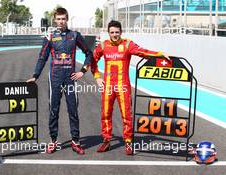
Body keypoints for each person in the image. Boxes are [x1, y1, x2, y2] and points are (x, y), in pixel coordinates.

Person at [91, 20, 169, 155]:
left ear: (121, 32)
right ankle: (106, 140)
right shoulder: (103, 45)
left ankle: (128, 142)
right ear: (108, 33)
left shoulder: (127, 44)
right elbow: (92, 59)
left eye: (117, 32)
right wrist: (97, 76)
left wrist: (159, 54)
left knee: (126, 115)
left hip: (123, 86)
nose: (114, 35)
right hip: (108, 86)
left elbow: (142, 52)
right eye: (112, 32)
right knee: (105, 114)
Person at [27, 7, 93, 155]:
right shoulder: (50, 36)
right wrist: (35, 75)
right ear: (55, 20)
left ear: (67, 19)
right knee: (53, 110)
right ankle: (53, 141)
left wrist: (83, 71)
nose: (61, 21)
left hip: (70, 78)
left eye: (63, 19)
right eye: (58, 19)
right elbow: (42, 57)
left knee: (73, 110)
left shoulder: (75, 35)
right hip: (55, 78)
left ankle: (76, 141)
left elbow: (89, 53)